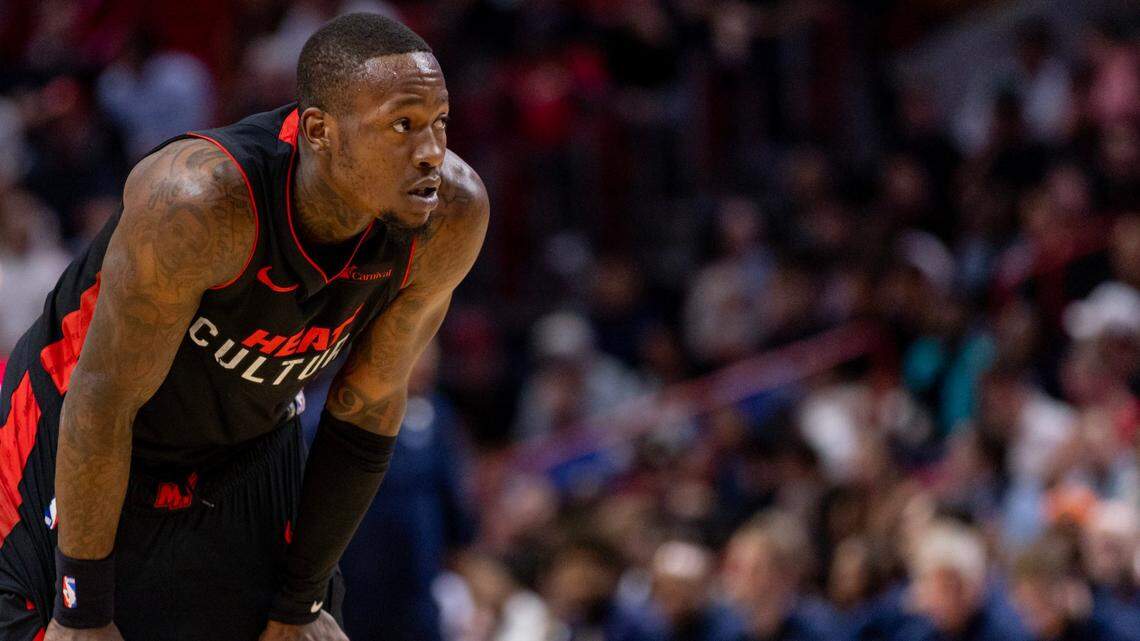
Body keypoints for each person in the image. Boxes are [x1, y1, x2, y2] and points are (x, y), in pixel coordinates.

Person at [0, 12, 488, 641]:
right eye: (402, 125)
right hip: (76, 426)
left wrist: (301, 603)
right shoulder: (201, 200)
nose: (431, 152)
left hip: (246, 443)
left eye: (439, 123)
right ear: (319, 131)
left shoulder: (449, 213)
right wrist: (82, 610)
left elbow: (366, 413)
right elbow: (103, 401)